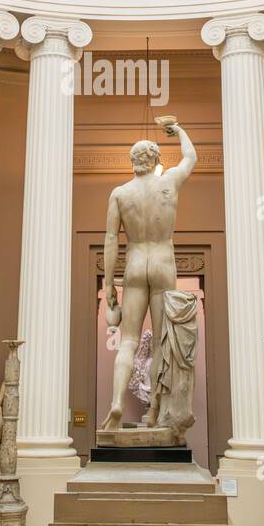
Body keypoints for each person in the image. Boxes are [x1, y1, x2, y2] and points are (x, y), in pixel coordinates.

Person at [101, 121, 196, 430]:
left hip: (134, 264)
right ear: (155, 160)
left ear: (133, 162)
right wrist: (179, 131)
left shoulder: (120, 193)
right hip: (163, 263)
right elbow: (191, 158)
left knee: (127, 339)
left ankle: (117, 402)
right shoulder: (168, 182)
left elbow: (111, 240)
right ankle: (154, 409)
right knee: (159, 342)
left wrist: (108, 286)